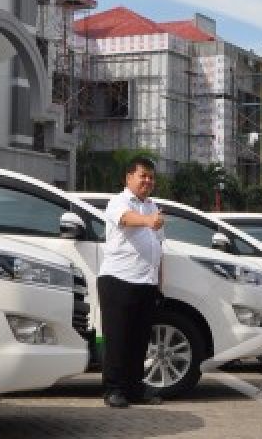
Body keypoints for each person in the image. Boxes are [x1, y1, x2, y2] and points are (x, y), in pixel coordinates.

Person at [97, 156, 166, 408]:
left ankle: (135, 387)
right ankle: (113, 390)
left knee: (139, 340)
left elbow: (158, 246)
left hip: (146, 282)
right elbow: (125, 219)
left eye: (151, 177)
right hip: (118, 280)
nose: (147, 181)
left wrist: (159, 283)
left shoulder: (152, 206)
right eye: (142, 176)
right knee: (117, 339)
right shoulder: (119, 201)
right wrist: (148, 221)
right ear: (129, 178)